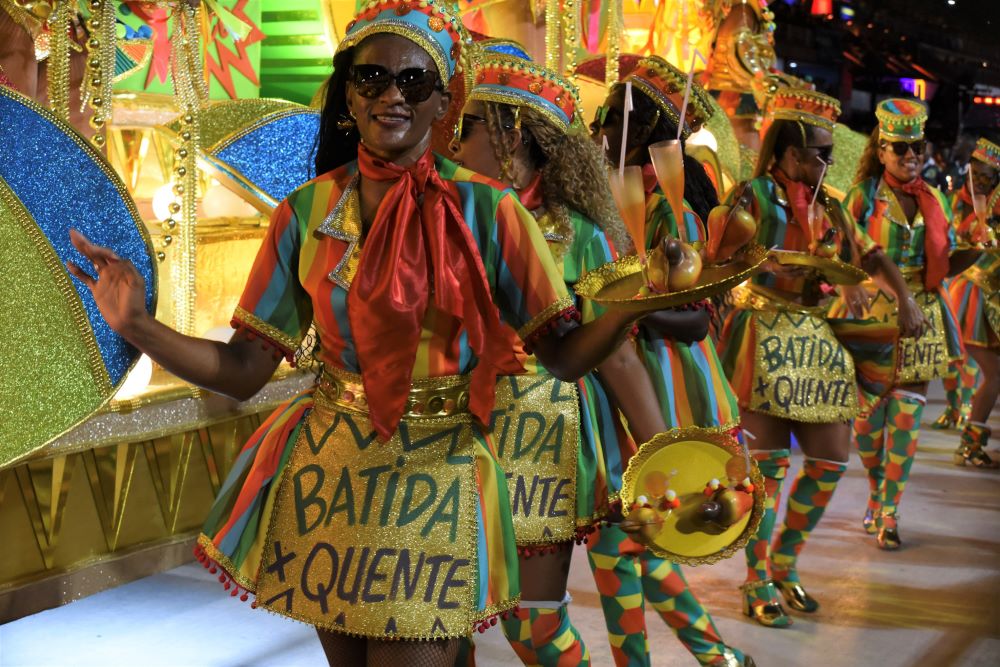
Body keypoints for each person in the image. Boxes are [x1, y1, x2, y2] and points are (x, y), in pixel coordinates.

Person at [65, 2, 647, 664]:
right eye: (372, 79)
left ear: (443, 102)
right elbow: (245, 367)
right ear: (350, 93)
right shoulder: (305, 213)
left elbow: (564, 357)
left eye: (414, 82)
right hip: (331, 475)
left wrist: (635, 305)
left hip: (440, 471)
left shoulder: (492, 211)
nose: (392, 95)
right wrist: (139, 325)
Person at [451, 45, 667, 666]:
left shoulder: (583, 234)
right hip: (445, 432)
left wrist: (664, 457)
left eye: (466, 131)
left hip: (540, 440)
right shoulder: (442, 216)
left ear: (510, 133)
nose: (455, 146)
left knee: (535, 628)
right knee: (439, 623)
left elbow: (618, 357)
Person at [717, 88, 923, 624]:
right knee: (766, 470)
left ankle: (785, 563)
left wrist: (899, 298)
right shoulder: (753, 196)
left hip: (813, 337)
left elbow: (870, 256)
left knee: (831, 460)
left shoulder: (830, 203)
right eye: (817, 154)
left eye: (829, 154)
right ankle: (756, 576)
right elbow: (722, 259)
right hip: (759, 331)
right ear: (787, 153)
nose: (826, 163)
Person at [587, 55, 753, 666]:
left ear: (646, 132)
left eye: (610, 118)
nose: (598, 129)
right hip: (609, 378)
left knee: (627, 538)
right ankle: (715, 656)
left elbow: (692, 320)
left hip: (659, 389)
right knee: (630, 540)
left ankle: (709, 655)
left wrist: (615, 309)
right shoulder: (599, 198)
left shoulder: (672, 210)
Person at [846, 99, 981, 550]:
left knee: (907, 416)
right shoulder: (863, 196)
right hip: (871, 317)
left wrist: (978, 248)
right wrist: (865, 290)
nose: (911, 156)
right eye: (900, 148)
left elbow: (943, 263)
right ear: (880, 150)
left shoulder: (935, 198)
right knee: (868, 426)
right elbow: (849, 250)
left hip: (922, 315)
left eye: (917, 148)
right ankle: (874, 490)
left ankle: (889, 511)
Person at [945, 137, 1000, 468]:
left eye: (987, 175)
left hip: (989, 297)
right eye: (976, 173)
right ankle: (968, 443)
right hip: (971, 296)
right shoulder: (960, 205)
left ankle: (970, 439)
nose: (979, 181)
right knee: (993, 374)